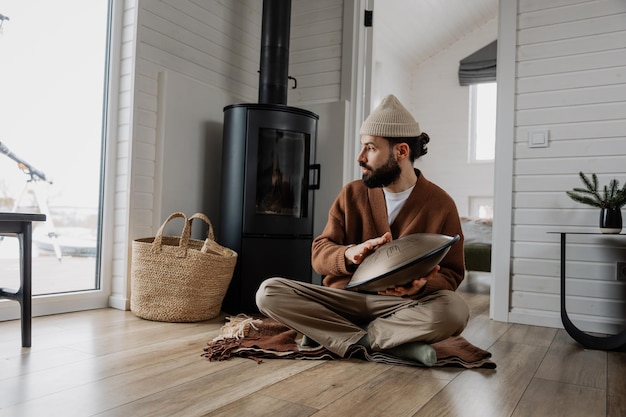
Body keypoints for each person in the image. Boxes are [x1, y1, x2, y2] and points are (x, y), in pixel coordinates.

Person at [255, 94, 469, 366]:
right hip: (343, 301)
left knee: (455, 310)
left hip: (399, 307)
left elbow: (452, 275)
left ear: (401, 151)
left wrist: (422, 284)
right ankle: (396, 344)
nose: (360, 157)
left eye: (369, 148)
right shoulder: (351, 194)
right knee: (268, 292)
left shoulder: (441, 204)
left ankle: (338, 338)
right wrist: (348, 254)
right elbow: (319, 254)